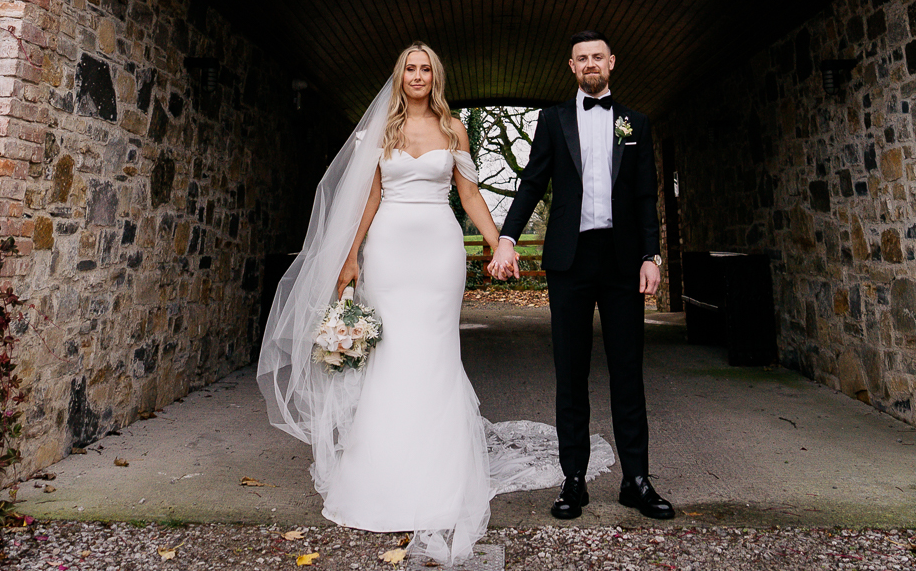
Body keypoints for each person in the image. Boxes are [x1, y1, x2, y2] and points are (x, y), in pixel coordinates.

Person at [257, 42, 512, 565]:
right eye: (410, 69)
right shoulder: (382, 131)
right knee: (392, 357)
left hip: (439, 254)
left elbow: (468, 195)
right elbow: (367, 199)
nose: (417, 76)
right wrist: (350, 259)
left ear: (435, 77)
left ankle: (441, 481)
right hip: (390, 254)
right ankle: (381, 477)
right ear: (400, 77)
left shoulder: (454, 129)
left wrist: (496, 241)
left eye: (425, 69)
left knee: (435, 355)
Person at [488, 30, 674, 521]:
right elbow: (531, 181)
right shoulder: (551, 120)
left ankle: (636, 479)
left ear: (611, 62)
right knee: (570, 373)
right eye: (581, 59)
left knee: (627, 371)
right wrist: (507, 237)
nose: (590, 64)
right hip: (568, 261)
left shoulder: (636, 122)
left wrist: (651, 256)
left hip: (621, 259)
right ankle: (573, 481)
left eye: (598, 57)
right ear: (571, 67)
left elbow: (644, 195)